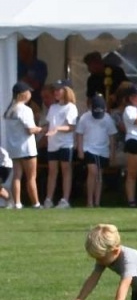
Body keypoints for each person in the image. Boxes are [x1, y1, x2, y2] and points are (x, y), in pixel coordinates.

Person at [74, 93, 119, 208]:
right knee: (92, 172)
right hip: (89, 148)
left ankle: (97, 201)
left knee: (99, 175)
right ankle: (89, 201)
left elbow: (112, 137)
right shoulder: (85, 117)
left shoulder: (107, 118)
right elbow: (79, 133)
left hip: (103, 150)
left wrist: (112, 154)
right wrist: (80, 149)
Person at [3, 82, 43, 208]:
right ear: (23, 94)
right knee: (31, 177)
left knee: (17, 176)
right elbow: (30, 129)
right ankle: (36, 203)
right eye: (28, 92)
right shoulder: (25, 110)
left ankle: (17, 203)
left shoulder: (10, 110)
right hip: (26, 148)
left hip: (14, 148)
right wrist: (40, 129)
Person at [41, 80, 79, 208]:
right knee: (52, 172)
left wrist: (57, 129)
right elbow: (48, 124)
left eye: (58, 90)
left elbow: (71, 127)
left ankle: (65, 200)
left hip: (65, 144)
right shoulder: (53, 107)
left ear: (65, 91)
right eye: (55, 90)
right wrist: (40, 129)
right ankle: (48, 199)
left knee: (65, 171)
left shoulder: (71, 107)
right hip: (53, 144)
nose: (56, 92)